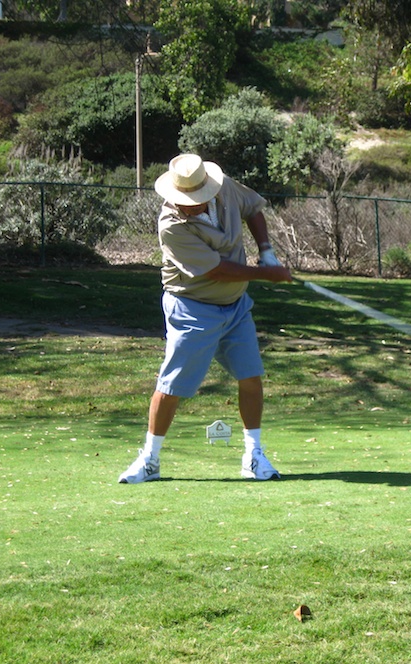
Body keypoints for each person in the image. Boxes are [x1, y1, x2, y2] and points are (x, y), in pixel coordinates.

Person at [118, 154, 292, 484]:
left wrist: (266, 249)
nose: (191, 206)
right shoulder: (171, 226)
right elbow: (217, 270)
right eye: (185, 202)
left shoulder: (224, 188)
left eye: (196, 200)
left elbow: (253, 208)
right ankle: (150, 459)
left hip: (236, 306)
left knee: (251, 375)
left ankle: (253, 455)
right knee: (172, 386)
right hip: (192, 307)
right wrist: (266, 274)